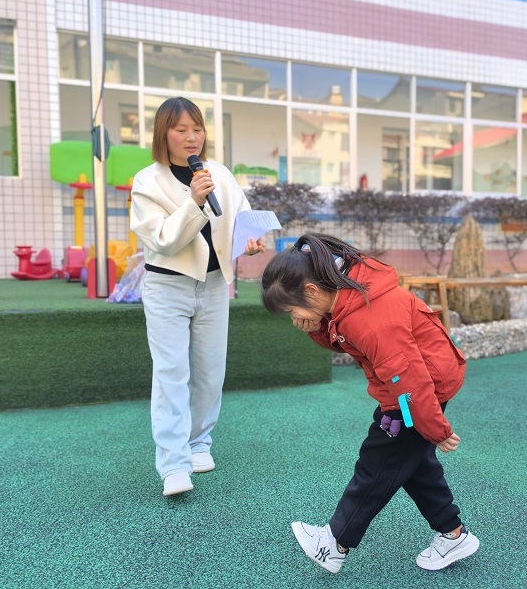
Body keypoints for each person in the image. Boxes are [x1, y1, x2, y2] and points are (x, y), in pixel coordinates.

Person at [260, 233, 478, 573]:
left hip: (419, 391)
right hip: (411, 385)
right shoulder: (349, 292)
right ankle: (453, 534)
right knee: (411, 465)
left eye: (291, 310)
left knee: (377, 465)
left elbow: (410, 379)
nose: (293, 317)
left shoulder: (372, 319)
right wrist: (315, 326)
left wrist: (435, 428)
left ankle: (335, 543)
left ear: (312, 290)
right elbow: (348, 340)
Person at [130, 96, 265, 497]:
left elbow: (240, 217)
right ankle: (173, 464)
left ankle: (199, 442)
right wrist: (194, 201)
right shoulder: (147, 181)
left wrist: (250, 239)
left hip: (214, 285)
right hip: (167, 286)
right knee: (171, 373)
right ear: (164, 134)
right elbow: (164, 240)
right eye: (181, 129)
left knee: (210, 371)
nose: (192, 137)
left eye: (197, 129)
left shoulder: (218, 173)